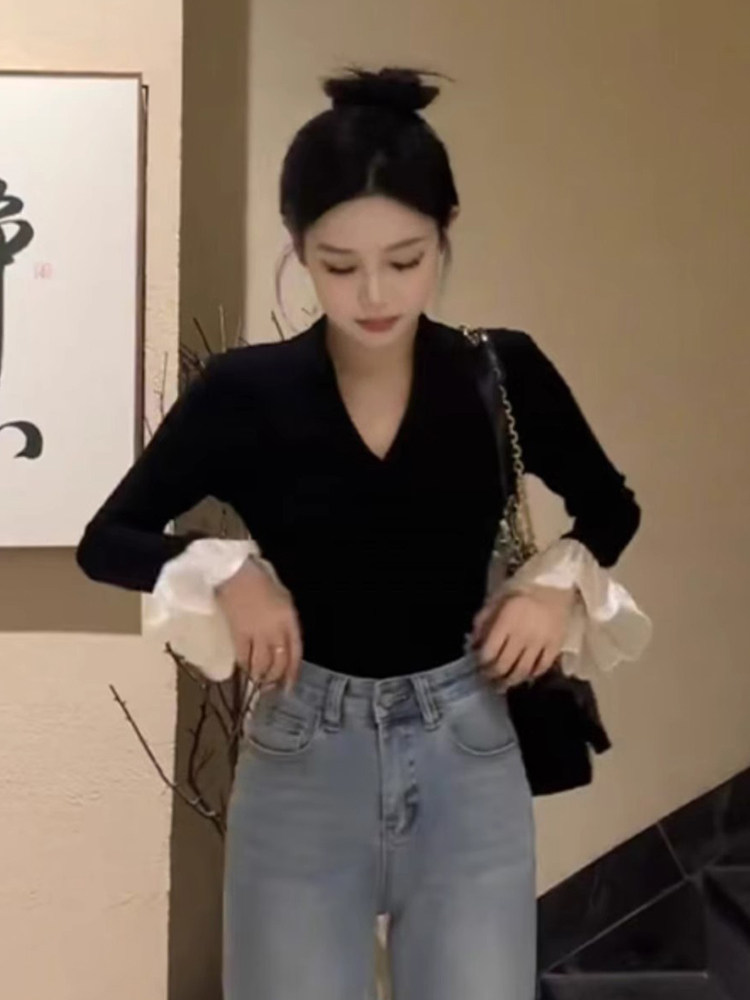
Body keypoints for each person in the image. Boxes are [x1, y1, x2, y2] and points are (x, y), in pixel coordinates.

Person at [76, 66, 648, 1000]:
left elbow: (610, 507)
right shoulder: (247, 392)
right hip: (303, 750)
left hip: (469, 748)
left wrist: (554, 583)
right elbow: (109, 540)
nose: (374, 293)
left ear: (446, 233)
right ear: (298, 247)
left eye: (406, 259)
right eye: (339, 265)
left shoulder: (499, 374)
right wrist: (226, 569)